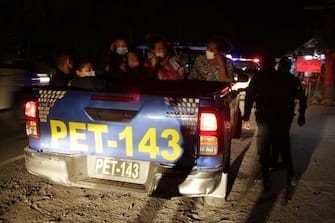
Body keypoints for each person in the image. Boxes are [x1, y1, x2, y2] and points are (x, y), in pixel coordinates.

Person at [242, 56, 307, 192]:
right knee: (284, 146)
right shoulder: (285, 78)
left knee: (265, 148)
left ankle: (267, 180)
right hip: (282, 118)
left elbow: (250, 96)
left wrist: (246, 115)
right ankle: (289, 175)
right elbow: (300, 97)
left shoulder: (259, 78)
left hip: (265, 118)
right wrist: (301, 114)